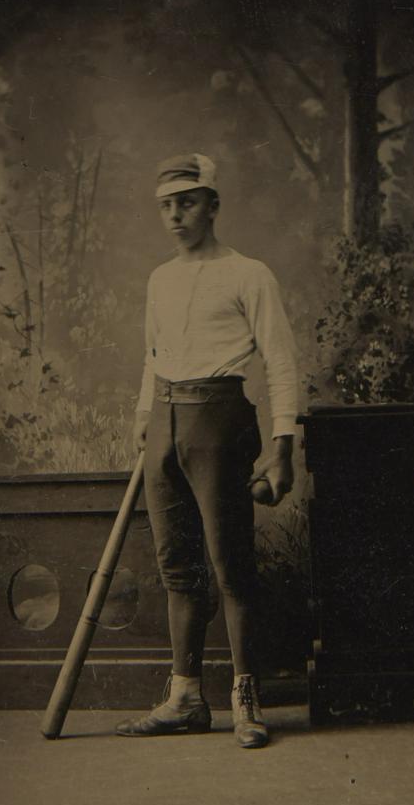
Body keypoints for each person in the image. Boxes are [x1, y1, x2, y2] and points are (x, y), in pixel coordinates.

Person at [116, 153, 298, 748]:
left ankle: (247, 698)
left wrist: (282, 446)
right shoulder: (159, 279)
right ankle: (186, 697)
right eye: (167, 205)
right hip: (164, 424)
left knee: (230, 567)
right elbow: (153, 356)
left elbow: (281, 361)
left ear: (213, 205)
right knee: (178, 568)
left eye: (188, 201)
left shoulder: (250, 274)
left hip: (219, 421)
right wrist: (146, 418)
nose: (176, 215)